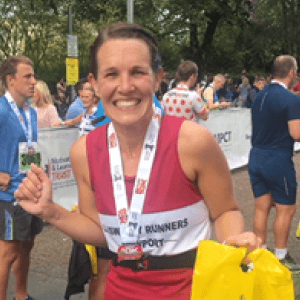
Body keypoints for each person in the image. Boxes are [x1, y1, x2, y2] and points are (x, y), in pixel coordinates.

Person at [15, 22, 261, 300]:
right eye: (111, 74)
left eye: (137, 72)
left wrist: (232, 243)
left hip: (193, 289)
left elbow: (225, 211)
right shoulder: (83, 152)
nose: (125, 86)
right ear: (95, 84)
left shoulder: (193, 142)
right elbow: (101, 231)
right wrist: (50, 210)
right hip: (121, 290)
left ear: (157, 78)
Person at [248, 55, 300, 271]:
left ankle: (260, 252)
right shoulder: (292, 99)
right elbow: (296, 134)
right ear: (290, 72)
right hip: (277, 159)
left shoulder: (259, 96)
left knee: (262, 207)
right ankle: (281, 256)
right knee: (285, 209)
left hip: (256, 157)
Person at [0, 55, 43, 300]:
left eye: (33, 76)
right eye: (27, 76)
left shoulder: (30, 113)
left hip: (29, 191)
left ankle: (22, 295)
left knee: (27, 246)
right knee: (7, 252)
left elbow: (29, 150)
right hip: (7, 196)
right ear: (10, 80)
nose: (34, 81)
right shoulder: (1, 111)